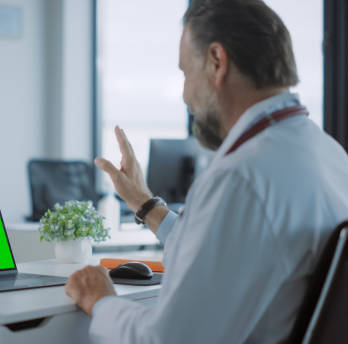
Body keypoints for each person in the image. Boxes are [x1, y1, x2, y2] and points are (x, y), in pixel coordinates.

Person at [64, 0, 348, 343]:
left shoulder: (242, 178)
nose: (185, 95)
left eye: (185, 73)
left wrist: (102, 302)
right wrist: (146, 205)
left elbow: (168, 340)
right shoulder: (329, 155)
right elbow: (229, 254)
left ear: (216, 61)